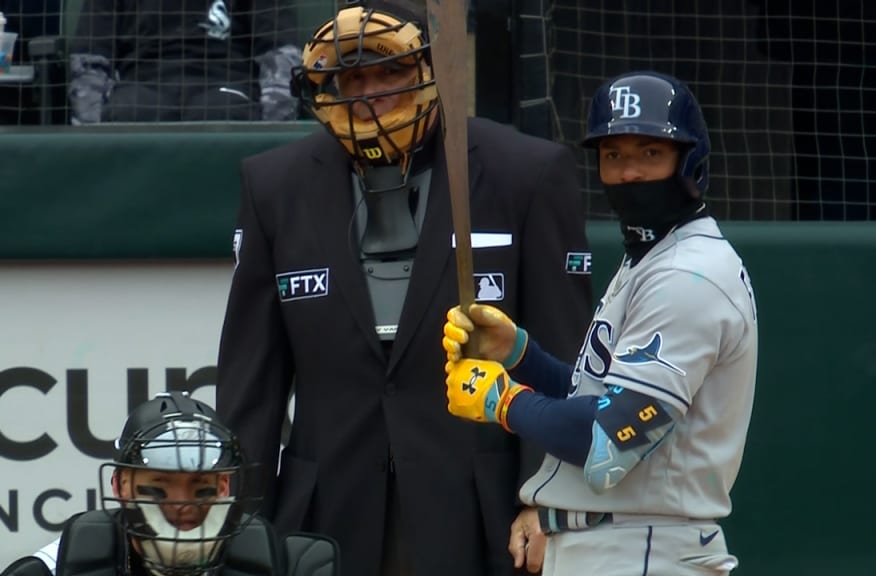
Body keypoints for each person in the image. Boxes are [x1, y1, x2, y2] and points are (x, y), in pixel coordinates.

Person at [215, 0, 593, 574]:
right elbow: (252, 383)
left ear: (428, 69)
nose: (371, 93)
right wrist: (237, 526)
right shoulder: (274, 185)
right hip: (323, 519)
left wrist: (547, 504)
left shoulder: (527, 172)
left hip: (482, 517)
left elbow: (565, 355)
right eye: (353, 78)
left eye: (390, 72)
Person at [442, 71, 759, 574]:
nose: (629, 172)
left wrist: (503, 401)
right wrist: (520, 356)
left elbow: (609, 442)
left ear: (690, 160)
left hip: (644, 549)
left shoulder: (687, 276)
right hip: (621, 546)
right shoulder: (652, 259)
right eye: (614, 156)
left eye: (649, 153)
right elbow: (598, 397)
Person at [0, 391, 340, 576]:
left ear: (225, 488)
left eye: (201, 487)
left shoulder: (285, 565)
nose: (183, 506)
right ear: (120, 486)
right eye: (158, 488)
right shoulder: (59, 566)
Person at [68, 0, 301, 123]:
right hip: (142, 84)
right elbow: (90, 57)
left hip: (224, 83)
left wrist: (274, 126)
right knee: (131, 111)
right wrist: (90, 132)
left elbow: (280, 51)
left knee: (220, 114)